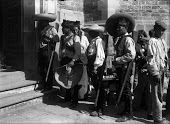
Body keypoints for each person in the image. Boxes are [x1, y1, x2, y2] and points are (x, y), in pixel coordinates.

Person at [105, 13, 136, 122]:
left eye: (121, 26)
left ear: (126, 27)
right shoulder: (120, 39)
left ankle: (128, 114)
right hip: (120, 68)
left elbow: (131, 55)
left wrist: (117, 60)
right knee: (121, 90)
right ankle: (125, 111)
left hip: (125, 69)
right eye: (118, 26)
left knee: (126, 91)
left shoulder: (127, 39)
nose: (118, 28)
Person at [147, 20, 168, 124]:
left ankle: (157, 114)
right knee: (156, 94)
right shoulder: (152, 41)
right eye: (160, 30)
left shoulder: (162, 41)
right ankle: (157, 118)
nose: (161, 33)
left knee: (160, 94)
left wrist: (166, 69)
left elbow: (164, 57)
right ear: (155, 30)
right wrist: (155, 72)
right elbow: (151, 59)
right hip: (156, 71)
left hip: (162, 70)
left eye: (163, 31)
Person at [82, 24, 105, 116]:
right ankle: (96, 105)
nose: (90, 33)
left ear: (95, 32)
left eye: (91, 32)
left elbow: (100, 55)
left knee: (100, 87)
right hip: (91, 65)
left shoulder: (98, 41)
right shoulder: (92, 41)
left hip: (97, 67)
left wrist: (95, 67)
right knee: (95, 85)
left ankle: (100, 108)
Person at [35, 13, 59, 91]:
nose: (40, 23)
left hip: (48, 50)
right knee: (41, 67)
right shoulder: (40, 30)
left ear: (46, 22)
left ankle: (49, 85)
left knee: (48, 67)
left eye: (42, 22)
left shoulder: (51, 29)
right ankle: (43, 82)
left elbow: (56, 39)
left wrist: (49, 37)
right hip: (41, 49)